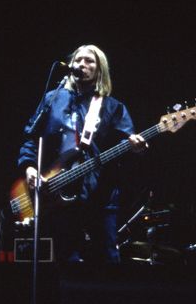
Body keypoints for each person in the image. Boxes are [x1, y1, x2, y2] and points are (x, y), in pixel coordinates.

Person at [18, 44, 147, 264]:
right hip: (59, 195)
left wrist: (136, 147)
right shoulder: (53, 98)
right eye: (78, 60)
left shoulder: (111, 106)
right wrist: (30, 167)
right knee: (64, 260)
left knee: (106, 260)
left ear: (99, 69)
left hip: (100, 196)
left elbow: (127, 146)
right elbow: (31, 137)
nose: (82, 64)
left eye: (89, 61)